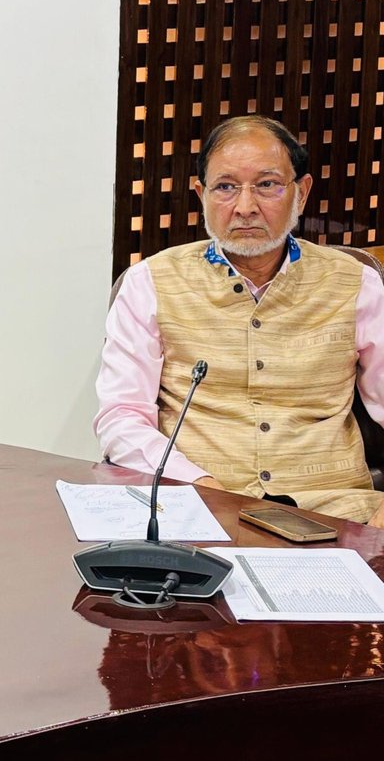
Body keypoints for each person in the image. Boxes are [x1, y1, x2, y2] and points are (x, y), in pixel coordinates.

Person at [96, 114, 384, 523]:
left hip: (337, 513)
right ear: (201, 195)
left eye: (267, 185)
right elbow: (122, 416)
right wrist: (198, 484)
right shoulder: (149, 284)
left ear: (301, 192)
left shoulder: (358, 283)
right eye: (226, 187)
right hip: (198, 511)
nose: (245, 207)